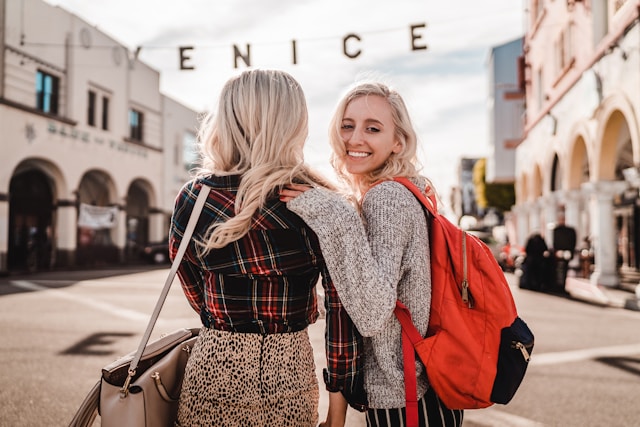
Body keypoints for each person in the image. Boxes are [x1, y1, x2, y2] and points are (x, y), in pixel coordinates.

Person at [169, 69, 365, 427]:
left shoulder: (196, 198)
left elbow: (190, 282)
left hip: (213, 369)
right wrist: (338, 409)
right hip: (289, 371)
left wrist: (224, 319)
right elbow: (341, 312)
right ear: (292, 123)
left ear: (227, 120)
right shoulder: (313, 202)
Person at [280, 81, 463, 426]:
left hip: (406, 396)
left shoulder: (387, 199)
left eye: (373, 128)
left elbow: (372, 313)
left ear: (398, 142)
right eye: (347, 126)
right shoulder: (409, 190)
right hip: (425, 390)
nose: (355, 138)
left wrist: (334, 213)